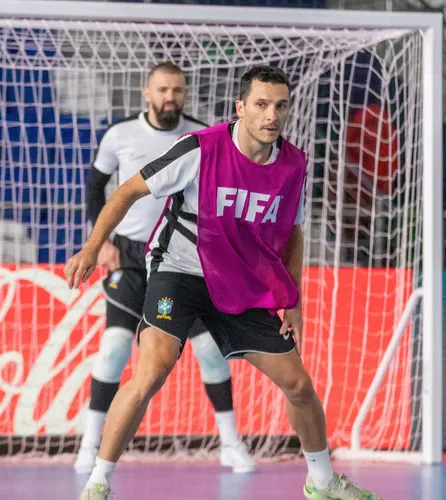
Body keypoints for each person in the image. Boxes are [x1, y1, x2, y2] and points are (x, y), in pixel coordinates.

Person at [66, 65, 382, 500]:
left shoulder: (293, 165)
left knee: (298, 385)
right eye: (261, 104)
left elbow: (291, 233)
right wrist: (92, 244)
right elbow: (124, 192)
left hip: (240, 282)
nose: (272, 115)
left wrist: (293, 299)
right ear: (241, 107)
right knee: (152, 370)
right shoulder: (199, 148)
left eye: (280, 106)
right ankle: (98, 481)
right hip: (179, 272)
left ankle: (323, 481)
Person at [76, 61, 254, 475]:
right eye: (162, 90)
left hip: (180, 261)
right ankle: (89, 445)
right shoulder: (119, 134)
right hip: (131, 258)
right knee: (115, 349)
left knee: (210, 351)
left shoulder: (202, 136)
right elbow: (95, 186)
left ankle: (230, 444)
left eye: (177, 90)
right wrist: (98, 242)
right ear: (146, 92)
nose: (169, 97)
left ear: (185, 93)